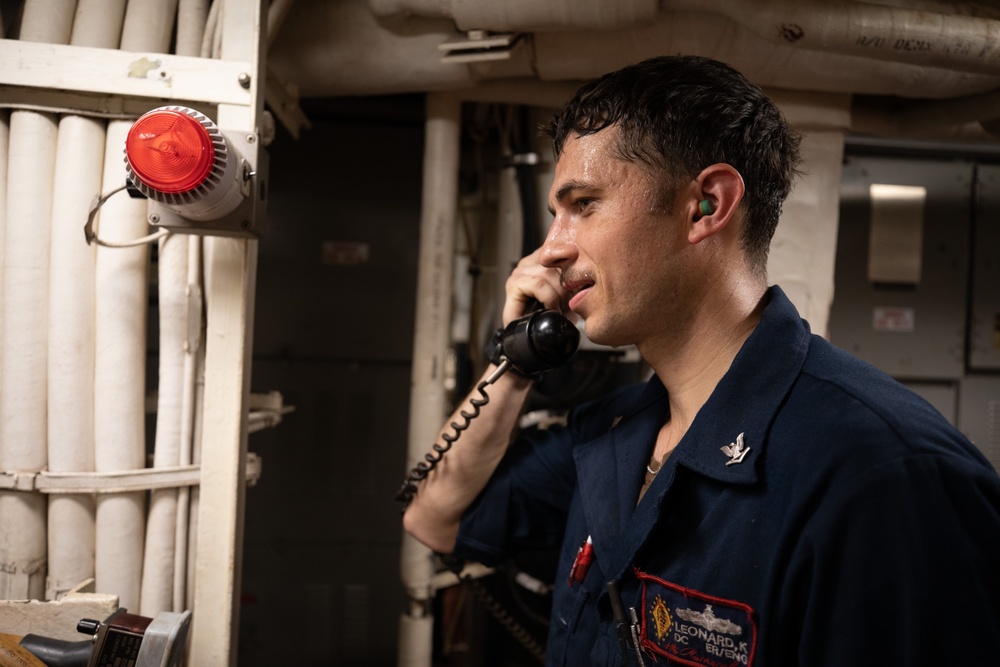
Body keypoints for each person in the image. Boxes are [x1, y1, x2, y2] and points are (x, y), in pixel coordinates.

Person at [402, 55, 1000, 666]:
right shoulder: (615, 436)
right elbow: (433, 518)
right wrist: (518, 359)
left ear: (706, 207)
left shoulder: (887, 479)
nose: (550, 250)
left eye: (583, 204)